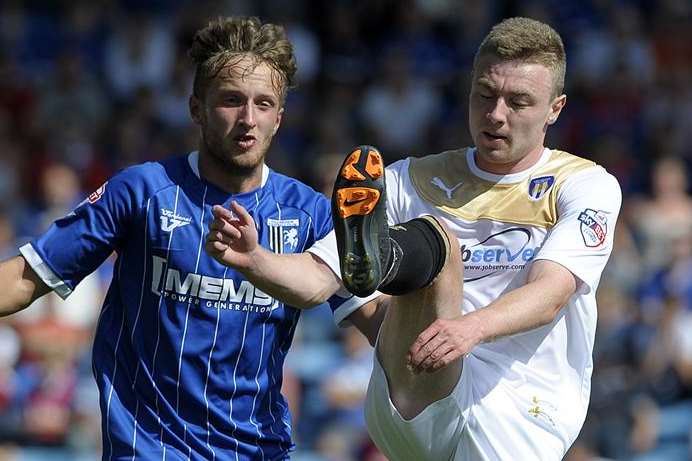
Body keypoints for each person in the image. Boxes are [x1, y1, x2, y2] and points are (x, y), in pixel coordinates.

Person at [206, 17, 623, 460]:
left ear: (555, 109)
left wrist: (469, 329)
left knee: (432, 247)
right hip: (414, 394)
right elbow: (314, 282)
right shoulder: (407, 180)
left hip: (520, 414)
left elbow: (551, 293)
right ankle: (386, 259)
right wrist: (255, 261)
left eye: (518, 102)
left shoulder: (583, 184)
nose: (496, 114)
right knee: (435, 241)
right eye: (485, 95)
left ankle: (386, 259)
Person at [0, 16, 364, 460]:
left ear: (280, 118)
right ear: (196, 108)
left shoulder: (309, 213)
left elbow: (377, 321)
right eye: (231, 100)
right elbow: (23, 279)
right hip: (149, 451)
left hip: (259, 451)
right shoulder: (141, 192)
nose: (248, 119)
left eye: (264, 104)